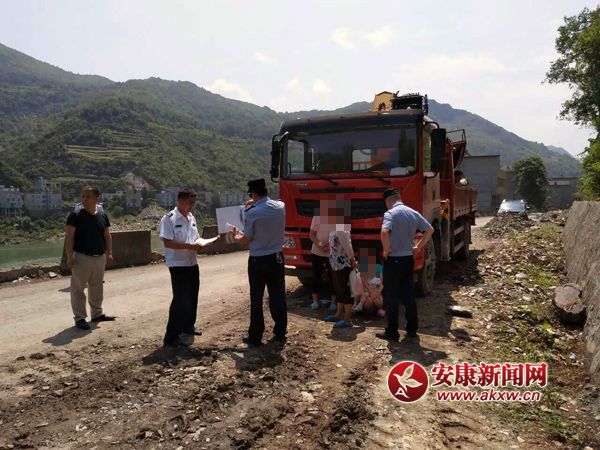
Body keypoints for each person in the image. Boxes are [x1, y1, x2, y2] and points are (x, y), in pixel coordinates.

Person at [231, 178, 287, 346]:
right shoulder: (280, 207)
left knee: (256, 298)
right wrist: (254, 201)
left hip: (258, 259)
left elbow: (247, 239)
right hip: (277, 257)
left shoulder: (252, 213)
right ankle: (280, 330)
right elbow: (275, 202)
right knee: (277, 295)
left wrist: (236, 237)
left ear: (252, 194)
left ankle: (255, 336)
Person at [377, 188, 434, 341]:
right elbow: (430, 229)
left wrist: (386, 249)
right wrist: (418, 247)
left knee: (392, 297)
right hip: (408, 259)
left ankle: (392, 332)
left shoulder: (390, 214)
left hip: (393, 260)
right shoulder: (413, 213)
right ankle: (412, 329)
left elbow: (384, 232)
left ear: (388, 201)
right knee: (408, 295)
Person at [159, 189, 205, 348]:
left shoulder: (191, 217)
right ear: (180, 201)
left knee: (192, 296)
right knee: (179, 299)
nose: (192, 206)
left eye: (193, 203)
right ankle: (171, 336)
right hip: (178, 264)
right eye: (189, 202)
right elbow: (167, 242)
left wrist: (200, 243)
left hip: (192, 263)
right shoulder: (169, 219)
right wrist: (189, 246)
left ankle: (188, 326)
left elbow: (195, 237)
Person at [64, 186, 115, 330]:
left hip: (99, 257)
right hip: (81, 257)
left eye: (88, 196)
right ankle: (80, 318)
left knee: (97, 287)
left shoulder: (102, 216)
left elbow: (107, 236)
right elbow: (69, 237)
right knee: (78, 289)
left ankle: (97, 314)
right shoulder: (75, 215)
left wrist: (109, 253)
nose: (85, 199)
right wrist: (70, 256)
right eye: (83, 196)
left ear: (97, 198)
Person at [323, 205, 357, 328]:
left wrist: (352, 259)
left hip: (343, 264)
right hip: (335, 264)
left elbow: (347, 245)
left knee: (344, 290)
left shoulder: (341, 227)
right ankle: (338, 315)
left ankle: (347, 320)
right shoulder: (335, 227)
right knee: (339, 289)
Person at [309, 199, 337, 310]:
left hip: (332, 252)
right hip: (317, 251)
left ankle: (333, 303)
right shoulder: (317, 217)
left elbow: (340, 236)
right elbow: (312, 234)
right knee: (316, 276)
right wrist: (320, 245)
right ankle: (315, 301)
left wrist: (329, 246)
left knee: (333, 277)